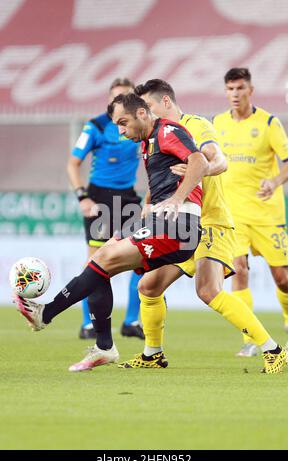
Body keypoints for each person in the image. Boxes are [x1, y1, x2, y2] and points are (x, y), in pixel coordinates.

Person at [14, 92, 207, 372]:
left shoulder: (167, 130)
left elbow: (199, 161)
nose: (120, 130)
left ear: (142, 113)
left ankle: (47, 313)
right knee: (99, 260)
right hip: (159, 220)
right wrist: (150, 204)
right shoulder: (148, 142)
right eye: (116, 124)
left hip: (180, 226)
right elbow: (163, 178)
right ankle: (104, 347)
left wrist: (178, 199)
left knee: (104, 259)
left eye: (123, 122)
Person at [118, 79, 287, 374]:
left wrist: (200, 169)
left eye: (150, 106)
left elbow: (220, 161)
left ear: (166, 102)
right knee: (148, 285)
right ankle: (152, 354)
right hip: (181, 225)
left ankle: (273, 350)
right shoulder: (156, 136)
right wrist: (148, 205)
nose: (145, 112)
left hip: (211, 221)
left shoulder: (195, 125)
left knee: (208, 290)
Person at [213, 67, 288, 357]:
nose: (235, 94)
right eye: (230, 89)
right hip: (232, 215)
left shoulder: (268, 123)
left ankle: (285, 316)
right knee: (239, 270)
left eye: (240, 88)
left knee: (282, 277)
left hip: (267, 214)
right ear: (225, 92)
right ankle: (251, 338)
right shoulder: (218, 123)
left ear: (250, 91)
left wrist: (275, 181)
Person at [67, 78, 144, 340]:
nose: (120, 102)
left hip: (129, 198)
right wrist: (83, 198)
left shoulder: (139, 126)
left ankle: (131, 321)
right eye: (116, 97)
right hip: (99, 199)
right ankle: (89, 324)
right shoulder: (96, 126)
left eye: (126, 97)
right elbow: (72, 164)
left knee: (142, 259)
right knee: (96, 260)